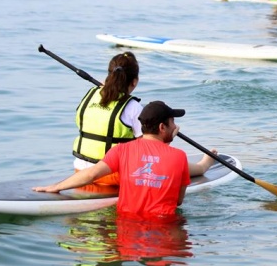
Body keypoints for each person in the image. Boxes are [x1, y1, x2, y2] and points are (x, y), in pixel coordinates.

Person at [34, 101, 218, 219]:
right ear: (163, 127)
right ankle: (206, 162)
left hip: (126, 228)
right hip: (164, 228)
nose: (175, 126)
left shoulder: (121, 150)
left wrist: (56, 186)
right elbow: (177, 201)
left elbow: (90, 174)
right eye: (172, 123)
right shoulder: (178, 157)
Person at [72, 52, 143, 185]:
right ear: (134, 82)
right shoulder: (134, 107)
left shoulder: (90, 94)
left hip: (80, 171)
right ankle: (196, 167)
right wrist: (168, 136)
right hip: (113, 176)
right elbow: (149, 148)